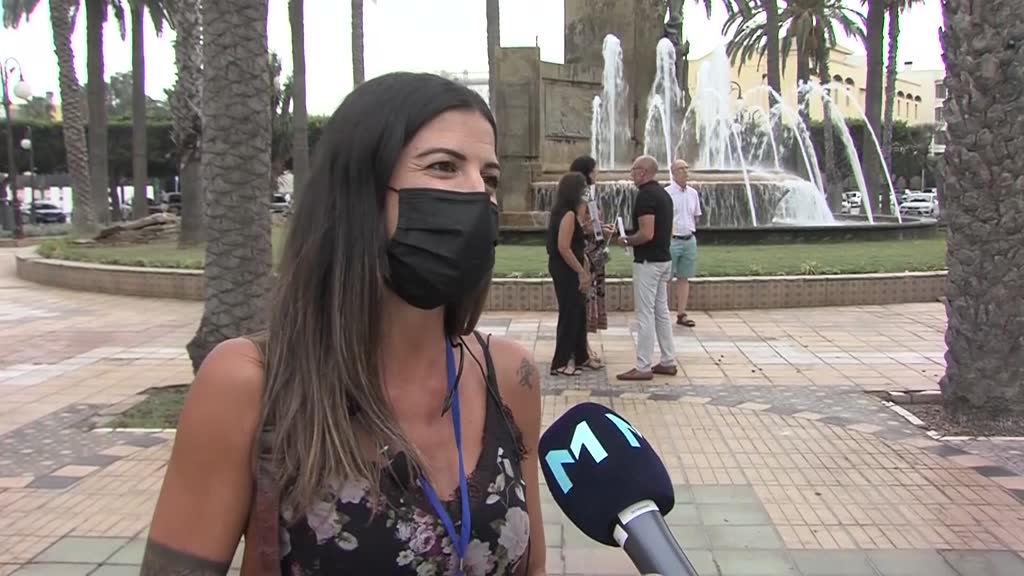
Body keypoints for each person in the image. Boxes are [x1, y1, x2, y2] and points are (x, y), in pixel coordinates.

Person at [142, 73, 547, 576]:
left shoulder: (509, 377)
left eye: (489, 178)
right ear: (360, 193)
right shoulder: (250, 383)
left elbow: (532, 568)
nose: (477, 194)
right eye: (444, 166)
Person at [616, 155, 677, 381]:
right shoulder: (664, 194)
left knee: (645, 314)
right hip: (664, 259)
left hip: (648, 263)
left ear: (643, 172)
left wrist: (626, 240)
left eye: (633, 170)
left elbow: (647, 233)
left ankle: (643, 366)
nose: (631, 174)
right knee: (661, 312)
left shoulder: (645, 196)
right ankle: (668, 360)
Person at [547, 171, 602, 376]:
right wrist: (581, 271)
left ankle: (581, 356)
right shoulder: (567, 214)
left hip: (570, 266)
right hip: (565, 269)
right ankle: (560, 362)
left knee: (579, 312)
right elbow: (563, 247)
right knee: (569, 313)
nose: (586, 192)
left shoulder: (568, 212)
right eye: (583, 188)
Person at [568, 155, 611, 361]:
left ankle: (582, 345)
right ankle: (581, 347)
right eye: (595, 170)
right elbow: (576, 224)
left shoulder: (584, 193)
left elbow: (589, 222)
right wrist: (593, 228)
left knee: (587, 297)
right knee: (585, 298)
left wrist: (601, 227)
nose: (597, 173)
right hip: (587, 252)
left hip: (594, 251)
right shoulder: (583, 194)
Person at [666, 159, 701, 327]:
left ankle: (682, 313)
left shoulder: (693, 193)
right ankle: (662, 314)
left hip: (689, 240)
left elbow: (696, 216)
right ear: (673, 172)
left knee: (684, 277)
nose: (685, 171)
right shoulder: (666, 193)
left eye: (687, 168)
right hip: (672, 241)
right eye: (681, 169)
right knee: (665, 278)